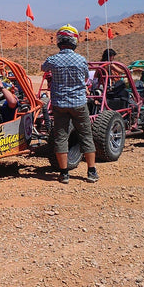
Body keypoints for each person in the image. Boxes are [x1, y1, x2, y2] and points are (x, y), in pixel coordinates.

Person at [41, 24, 98, 184]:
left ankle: (64, 173)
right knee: (86, 135)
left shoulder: (53, 59)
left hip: (60, 104)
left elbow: (43, 67)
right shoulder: (81, 59)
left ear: (59, 41)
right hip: (79, 103)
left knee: (61, 137)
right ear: (74, 41)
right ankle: (91, 171)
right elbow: (87, 76)